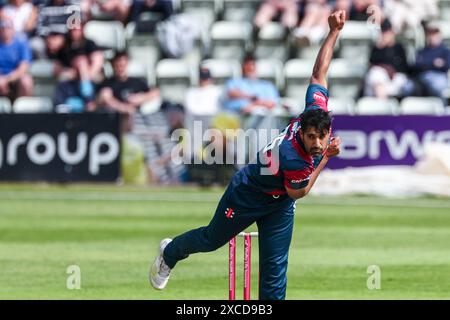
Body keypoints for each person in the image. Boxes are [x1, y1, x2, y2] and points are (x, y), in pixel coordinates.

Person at [149, 10, 345, 300]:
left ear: (328, 129)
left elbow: (319, 73)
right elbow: (299, 192)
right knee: (211, 239)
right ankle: (170, 252)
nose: (317, 143)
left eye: (322, 138)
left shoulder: (313, 111)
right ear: (301, 132)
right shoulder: (292, 155)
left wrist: (333, 32)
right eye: (312, 138)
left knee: (275, 269)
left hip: (278, 204)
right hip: (249, 194)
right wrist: (327, 158)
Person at [405, 21, 450, 103]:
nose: (433, 37)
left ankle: (442, 111)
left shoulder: (445, 51)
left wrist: (426, 64)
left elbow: (446, 65)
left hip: (438, 77)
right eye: (431, 34)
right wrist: (433, 63)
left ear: (440, 35)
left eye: (435, 34)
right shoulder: (422, 51)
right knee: (406, 87)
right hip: (421, 77)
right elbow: (415, 66)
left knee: (438, 86)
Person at [363, 19, 409, 98]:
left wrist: (391, 71)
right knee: (376, 74)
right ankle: (383, 105)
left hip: (395, 79)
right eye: (384, 32)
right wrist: (380, 47)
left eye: (388, 32)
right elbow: (371, 65)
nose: (386, 35)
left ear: (392, 32)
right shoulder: (377, 48)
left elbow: (404, 68)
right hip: (380, 80)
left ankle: (383, 105)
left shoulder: (399, 47)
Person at [0, 16, 33, 99]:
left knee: (26, 82)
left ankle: (23, 109)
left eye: (7, 27)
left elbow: (23, 68)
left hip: (15, 78)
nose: (5, 30)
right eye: (2, 27)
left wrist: (6, 79)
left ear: (13, 29)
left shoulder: (21, 43)